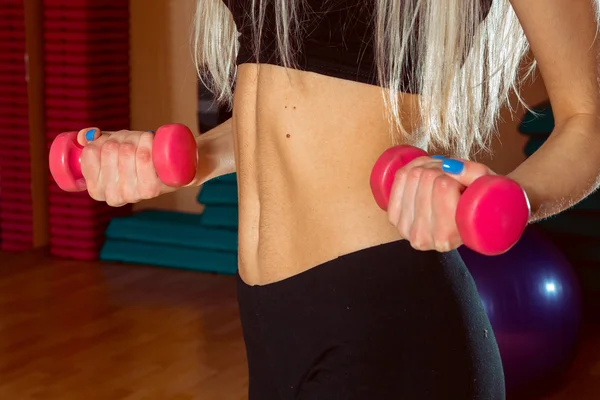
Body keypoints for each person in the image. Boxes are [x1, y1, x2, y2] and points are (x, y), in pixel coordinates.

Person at [73, 0, 600, 398]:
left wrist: (510, 198)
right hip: (269, 323)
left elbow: (588, 120)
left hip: (389, 324)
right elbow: (289, 100)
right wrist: (184, 161)